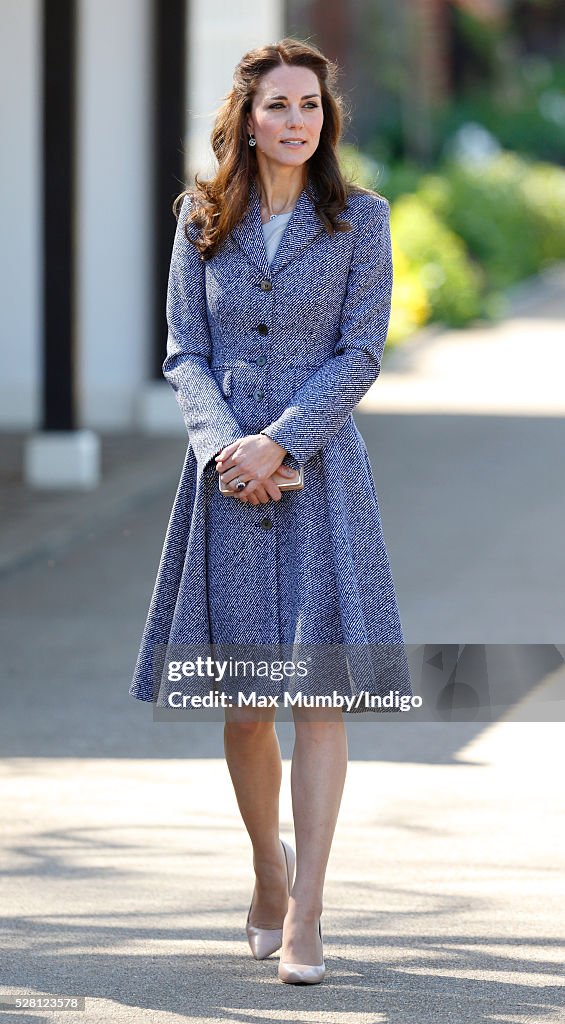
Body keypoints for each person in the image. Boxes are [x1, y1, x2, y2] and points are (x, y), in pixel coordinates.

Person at [129, 37, 413, 985]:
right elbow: (182, 349)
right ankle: (265, 873)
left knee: (318, 698)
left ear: (326, 120)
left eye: (311, 106)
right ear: (245, 119)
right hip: (224, 485)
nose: (297, 121)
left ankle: (309, 914)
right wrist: (226, 451)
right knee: (246, 704)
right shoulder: (201, 217)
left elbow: (361, 350)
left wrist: (281, 441)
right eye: (278, 105)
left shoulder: (360, 219)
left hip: (319, 473)